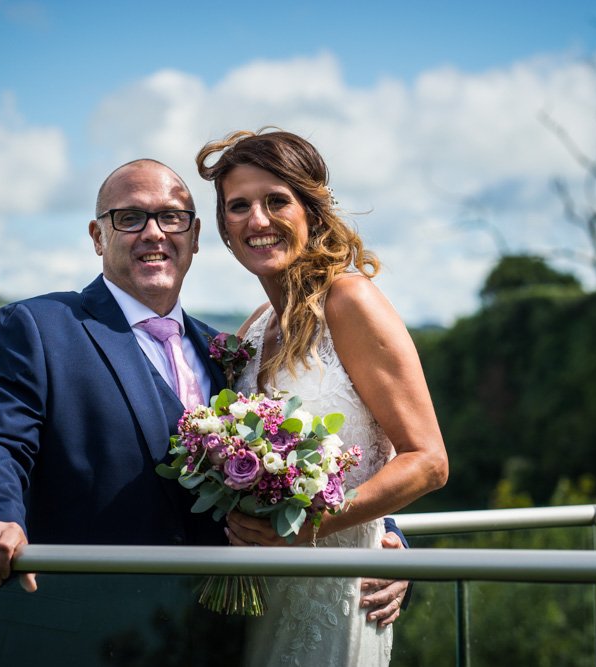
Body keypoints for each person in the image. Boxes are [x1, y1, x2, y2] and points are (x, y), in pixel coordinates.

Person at [0, 158, 410, 664]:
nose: (153, 233)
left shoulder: (227, 352)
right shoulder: (37, 326)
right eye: (129, 218)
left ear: (195, 236)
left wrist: (383, 536)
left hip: (203, 642)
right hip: (64, 635)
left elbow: (310, 453)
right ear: (98, 236)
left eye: (172, 218)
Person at [196, 129, 449, 667]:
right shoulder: (252, 330)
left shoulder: (350, 300)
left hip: (338, 592)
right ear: (223, 228)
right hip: (261, 598)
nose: (257, 220)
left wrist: (310, 529)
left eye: (276, 201)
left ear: (311, 209)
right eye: (238, 206)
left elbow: (428, 462)